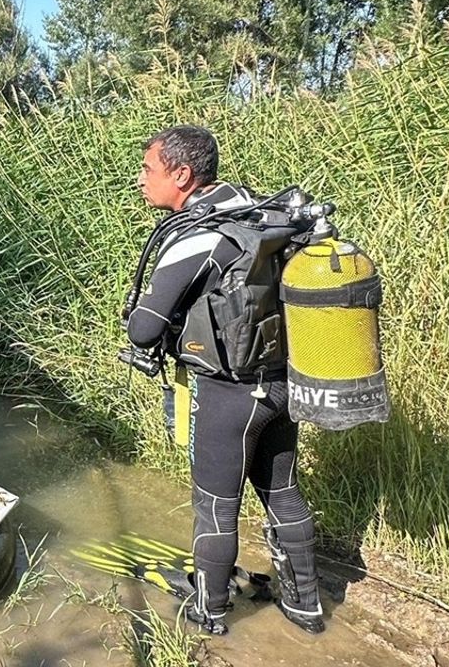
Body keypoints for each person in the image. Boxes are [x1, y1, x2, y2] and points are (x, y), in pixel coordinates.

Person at [125, 125, 324, 635]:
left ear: (182, 175)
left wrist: (154, 323)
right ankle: (306, 609)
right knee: (282, 491)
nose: (142, 179)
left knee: (215, 506)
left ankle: (208, 614)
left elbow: (143, 328)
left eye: (149, 170)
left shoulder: (197, 237)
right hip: (281, 383)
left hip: (228, 395)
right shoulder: (257, 213)